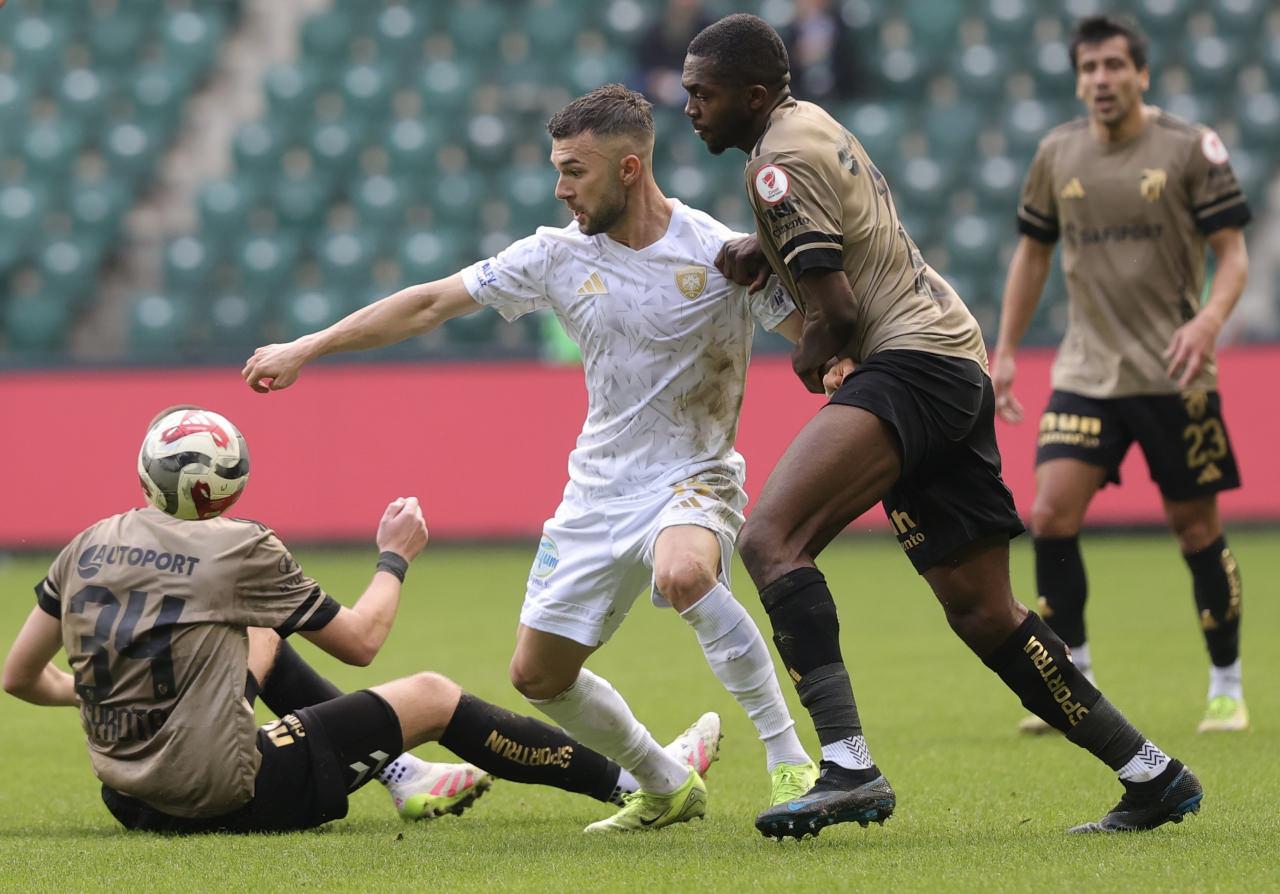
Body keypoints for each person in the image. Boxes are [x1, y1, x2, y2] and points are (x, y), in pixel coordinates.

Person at [681, 13, 1204, 838]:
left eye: (701, 93)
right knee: (983, 610)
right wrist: (765, 249)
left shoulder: (775, 164)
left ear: (751, 96)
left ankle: (848, 765)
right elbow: (847, 227)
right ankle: (1152, 773)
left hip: (912, 367)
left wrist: (812, 359)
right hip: (952, 360)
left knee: (771, 539)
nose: (689, 107)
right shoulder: (809, 124)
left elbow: (836, 311)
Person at [243, 84, 819, 833]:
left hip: (692, 475)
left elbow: (811, 333)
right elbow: (429, 303)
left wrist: (849, 363)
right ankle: (665, 784)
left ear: (629, 169)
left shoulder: (718, 255)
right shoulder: (553, 255)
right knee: (537, 676)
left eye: (575, 170)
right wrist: (307, 346)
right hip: (596, 492)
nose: (560, 188)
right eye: (557, 169)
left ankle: (789, 758)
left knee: (684, 573)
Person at [1, 405, 714, 833]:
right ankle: (644, 783)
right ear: (232, 483)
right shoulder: (239, 548)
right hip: (225, 795)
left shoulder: (86, 544)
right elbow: (362, 642)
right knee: (431, 696)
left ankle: (401, 775)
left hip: (128, 797)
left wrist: (101, 694)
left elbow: (20, 677)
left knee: (259, 630)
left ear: (144, 474)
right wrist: (394, 556)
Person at [992, 15, 1250, 736]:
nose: (1101, 80)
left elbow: (1233, 254)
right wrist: (1005, 349)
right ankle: (1073, 678)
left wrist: (1208, 322)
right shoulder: (1057, 153)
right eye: (1089, 68)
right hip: (1088, 371)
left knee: (1196, 530)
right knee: (1050, 516)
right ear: (1078, 80)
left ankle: (1227, 684)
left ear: (1142, 73)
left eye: (1113, 66)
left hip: (1176, 374)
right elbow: (1033, 254)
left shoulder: (1189, 148)